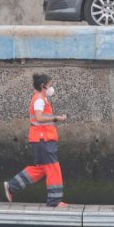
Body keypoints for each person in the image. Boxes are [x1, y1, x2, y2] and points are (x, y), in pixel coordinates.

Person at [5, 73, 68, 208]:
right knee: (53, 169)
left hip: (40, 139)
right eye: (49, 85)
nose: (51, 88)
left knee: (41, 169)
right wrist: (56, 118)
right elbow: (39, 118)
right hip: (43, 139)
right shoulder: (39, 100)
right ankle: (54, 201)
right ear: (43, 86)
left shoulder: (40, 98)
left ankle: (12, 186)